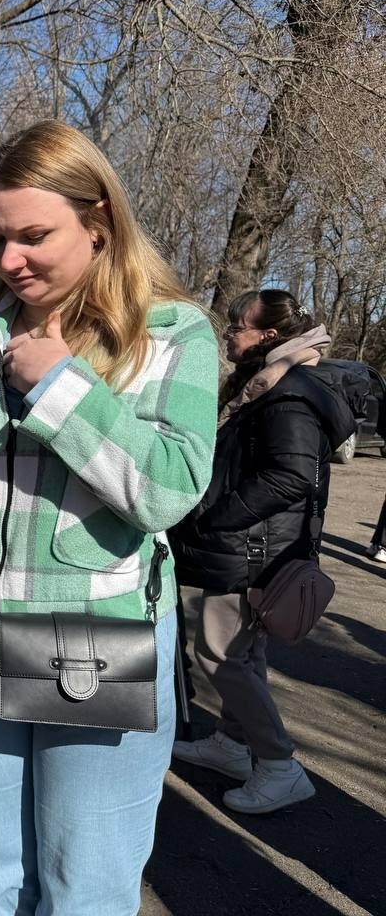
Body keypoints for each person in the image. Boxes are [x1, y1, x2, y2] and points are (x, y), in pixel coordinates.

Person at [0, 119, 218, 915]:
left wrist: (60, 386)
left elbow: (169, 488)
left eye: (33, 235)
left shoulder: (173, 335)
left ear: (99, 224)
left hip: (95, 633)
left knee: (85, 887)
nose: (7, 260)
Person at [170, 289, 354, 814]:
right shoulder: (273, 383)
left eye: (237, 326)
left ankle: (279, 765)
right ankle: (232, 744)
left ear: (268, 336)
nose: (228, 333)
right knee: (244, 654)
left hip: (253, 546)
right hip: (257, 544)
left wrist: (214, 516)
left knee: (220, 653)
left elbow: (290, 475)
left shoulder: (287, 391)